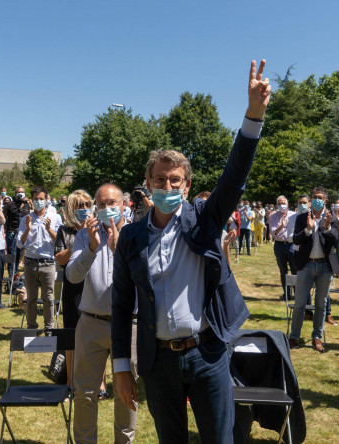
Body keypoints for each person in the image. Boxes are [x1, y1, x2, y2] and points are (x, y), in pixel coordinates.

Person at [111, 59, 271, 444]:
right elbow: (121, 304)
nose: (167, 185)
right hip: (157, 361)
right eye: (160, 179)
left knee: (220, 438)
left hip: (207, 353)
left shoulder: (203, 219)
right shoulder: (131, 237)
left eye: (175, 180)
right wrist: (120, 366)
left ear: (186, 186)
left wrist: (253, 115)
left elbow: (234, 177)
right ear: (147, 184)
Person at [66, 183, 137, 444]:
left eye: (112, 203)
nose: (107, 208)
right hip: (91, 324)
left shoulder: (135, 233)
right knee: (84, 393)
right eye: (102, 204)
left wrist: (122, 253)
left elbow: (147, 279)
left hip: (128, 325)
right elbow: (72, 276)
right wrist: (92, 249)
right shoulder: (85, 235)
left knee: (127, 393)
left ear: (123, 205)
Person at [289, 186, 339, 352]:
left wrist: (325, 228)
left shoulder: (331, 218)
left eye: (320, 197)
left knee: (321, 304)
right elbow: (295, 240)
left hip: (325, 266)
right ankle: (294, 337)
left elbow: (336, 240)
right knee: (299, 304)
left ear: (325, 200)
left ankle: (317, 337)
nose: (317, 199)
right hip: (306, 264)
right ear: (311, 200)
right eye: (315, 197)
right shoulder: (302, 218)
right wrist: (308, 229)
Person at [54, 190, 91, 386]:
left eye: (87, 205)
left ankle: (98, 383)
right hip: (73, 289)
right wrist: (77, 243)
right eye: (79, 206)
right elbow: (59, 259)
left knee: (95, 336)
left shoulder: (97, 227)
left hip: (95, 288)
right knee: (71, 334)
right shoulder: (65, 231)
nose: (84, 209)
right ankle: (69, 380)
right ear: (71, 209)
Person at [17, 186, 62, 329]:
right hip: (30, 262)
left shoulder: (55, 217)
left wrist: (49, 229)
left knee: (48, 298)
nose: (39, 201)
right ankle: (31, 326)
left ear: (47, 200)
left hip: (48, 262)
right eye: (36, 199)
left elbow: (60, 242)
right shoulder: (26, 219)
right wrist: (28, 229)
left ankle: (49, 327)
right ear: (31, 200)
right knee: (31, 298)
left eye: (41, 199)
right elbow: (19, 244)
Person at [269, 195, 296, 301]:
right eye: (279, 204)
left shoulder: (293, 215)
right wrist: (281, 225)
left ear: (287, 204)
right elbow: (273, 232)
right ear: (276, 205)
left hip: (291, 245)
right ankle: (286, 294)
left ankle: (297, 294)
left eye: (283, 203)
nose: (281, 205)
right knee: (283, 271)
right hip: (279, 245)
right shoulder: (273, 217)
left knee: (294, 270)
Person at [3, 186, 30, 273]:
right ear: (15, 194)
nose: (21, 193)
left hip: (22, 233)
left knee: (19, 253)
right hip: (11, 232)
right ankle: (11, 271)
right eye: (19, 192)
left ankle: (16, 272)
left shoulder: (26, 205)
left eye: (22, 191)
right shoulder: (9, 205)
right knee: (11, 252)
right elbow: (3, 218)